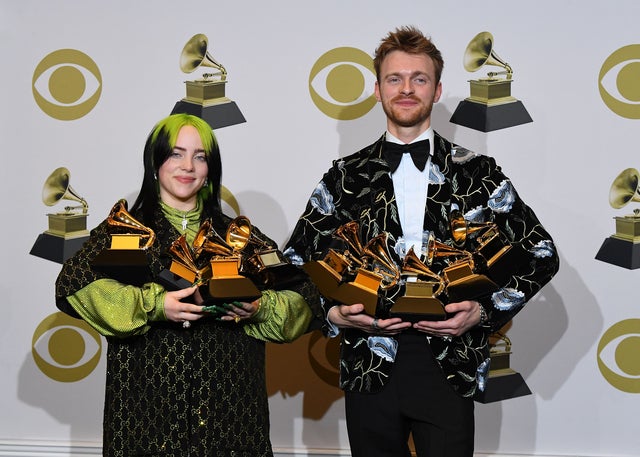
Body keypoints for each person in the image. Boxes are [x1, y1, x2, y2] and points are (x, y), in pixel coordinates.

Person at [284, 26, 560, 457]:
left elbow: (540, 254)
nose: (407, 89)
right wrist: (335, 314)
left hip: (450, 361)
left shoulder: (480, 173)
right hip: (369, 360)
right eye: (395, 79)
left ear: (437, 89)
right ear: (377, 90)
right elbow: (295, 262)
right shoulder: (343, 177)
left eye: (419, 78)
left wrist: (484, 311)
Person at [55, 113, 319, 457]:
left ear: (211, 169)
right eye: (176, 154)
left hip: (234, 423)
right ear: (155, 162)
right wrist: (153, 305)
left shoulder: (240, 236)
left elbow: (304, 296)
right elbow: (74, 284)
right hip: (144, 421)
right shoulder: (123, 231)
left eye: (200, 156)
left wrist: (259, 308)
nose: (188, 166)